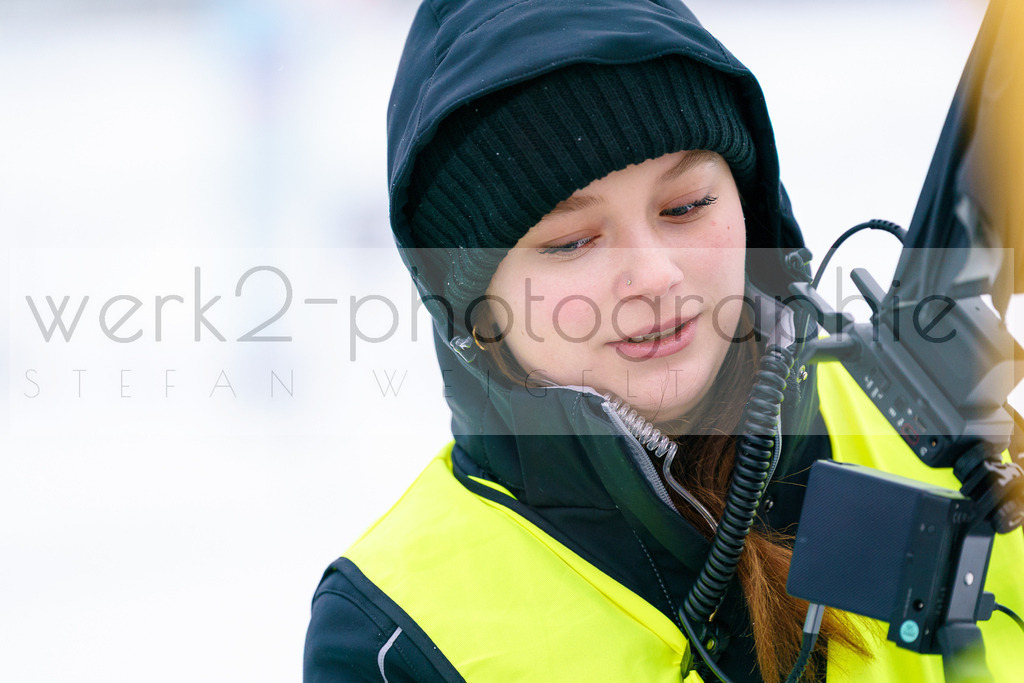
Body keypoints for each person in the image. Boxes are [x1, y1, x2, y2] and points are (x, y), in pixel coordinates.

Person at [304, 1, 1024, 681]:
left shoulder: (946, 438)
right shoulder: (395, 629)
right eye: (571, 241)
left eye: (686, 206)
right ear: (477, 308)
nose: (653, 274)